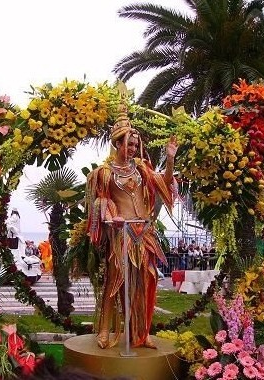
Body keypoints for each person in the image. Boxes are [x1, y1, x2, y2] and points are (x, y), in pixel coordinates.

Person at [85, 103, 178, 349]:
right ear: (117, 144)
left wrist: (169, 159)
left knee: (146, 282)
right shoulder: (103, 173)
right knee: (115, 281)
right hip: (120, 234)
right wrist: (108, 216)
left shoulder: (142, 169)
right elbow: (99, 201)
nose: (132, 148)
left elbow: (165, 183)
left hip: (144, 232)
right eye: (128, 144)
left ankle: (141, 333)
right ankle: (104, 331)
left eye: (135, 145)